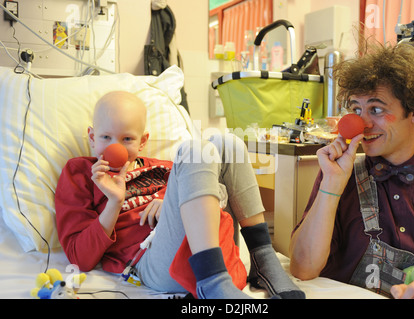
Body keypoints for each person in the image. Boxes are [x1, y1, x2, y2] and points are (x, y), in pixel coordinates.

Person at [55, 90, 305, 299]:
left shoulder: (166, 168)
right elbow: (80, 258)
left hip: (206, 246)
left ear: (143, 141)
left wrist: (174, 203)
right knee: (195, 150)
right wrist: (114, 202)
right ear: (91, 137)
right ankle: (212, 281)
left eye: (127, 138)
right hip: (150, 262)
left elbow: (214, 195)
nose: (116, 147)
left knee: (228, 143)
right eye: (106, 137)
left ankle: (262, 259)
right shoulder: (79, 173)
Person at [290, 42, 414, 298]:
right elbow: (302, 268)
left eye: (376, 109)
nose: (360, 125)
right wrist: (331, 185)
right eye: (355, 110)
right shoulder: (340, 175)